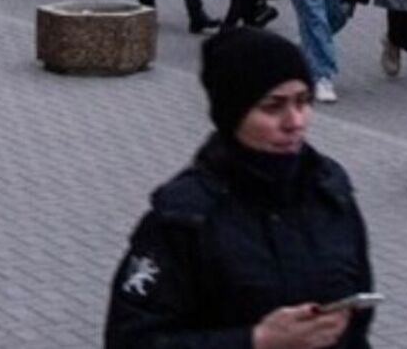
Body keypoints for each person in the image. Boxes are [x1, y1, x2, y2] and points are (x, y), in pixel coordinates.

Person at [105, 27, 374, 347]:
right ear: (233, 115)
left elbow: (356, 320)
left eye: (303, 102)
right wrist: (256, 341)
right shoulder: (184, 217)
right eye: (273, 106)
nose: (295, 121)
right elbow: (132, 340)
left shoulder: (330, 191)